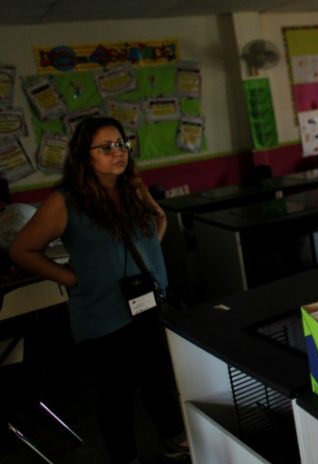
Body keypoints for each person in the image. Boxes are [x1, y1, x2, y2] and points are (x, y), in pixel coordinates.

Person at [10, 117, 188, 464]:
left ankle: (172, 438)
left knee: (157, 379)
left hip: (146, 302)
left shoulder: (131, 188)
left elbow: (155, 227)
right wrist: (70, 279)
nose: (117, 152)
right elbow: (22, 251)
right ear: (84, 156)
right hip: (102, 315)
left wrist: (148, 256)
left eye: (121, 144)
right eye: (106, 147)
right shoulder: (66, 201)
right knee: (116, 395)